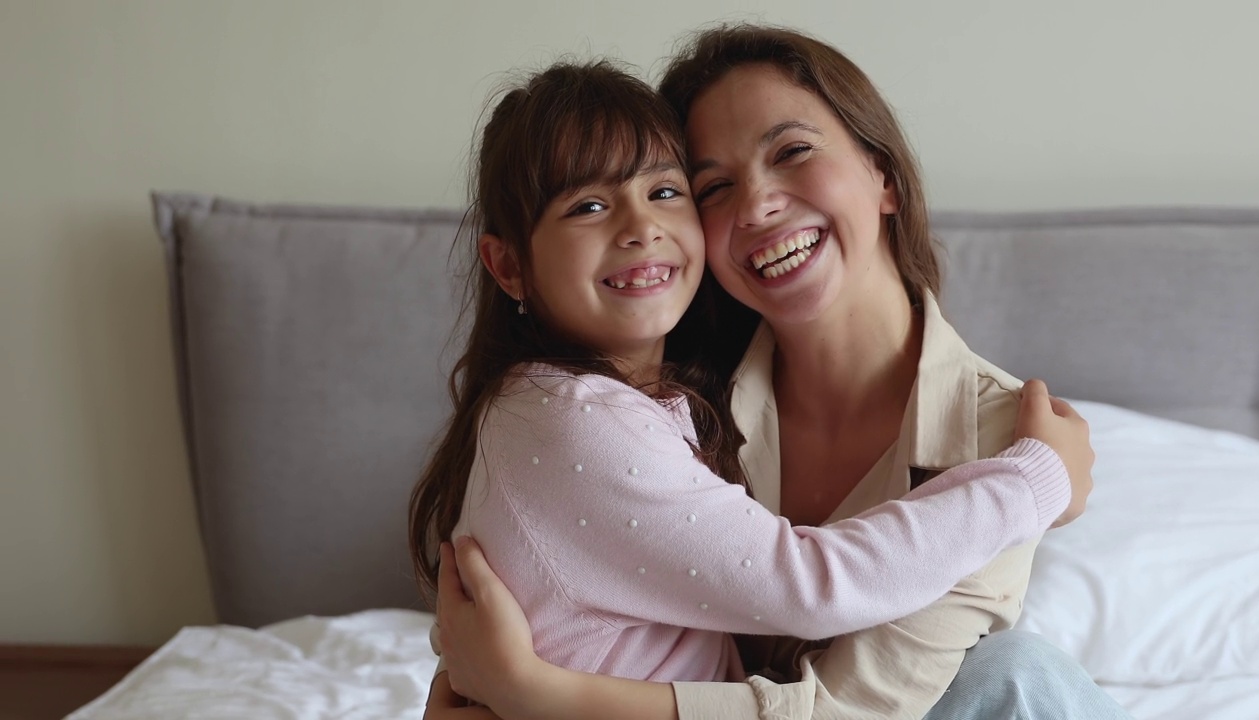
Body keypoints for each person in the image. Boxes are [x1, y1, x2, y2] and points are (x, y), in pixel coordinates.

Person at [424, 25, 1132, 720]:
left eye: (792, 151)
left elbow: (849, 713)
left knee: (1015, 677)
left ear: (882, 174)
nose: (758, 204)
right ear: (510, 263)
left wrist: (541, 697)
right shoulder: (660, 400)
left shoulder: (1001, 436)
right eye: (714, 186)